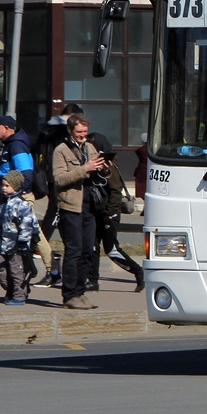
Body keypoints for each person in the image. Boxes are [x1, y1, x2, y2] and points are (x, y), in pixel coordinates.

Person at [52, 113, 106, 310]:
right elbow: (59, 179)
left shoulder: (89, 147)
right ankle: (70, 294)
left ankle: (81, 292)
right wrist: (85, 169)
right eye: (79, 132)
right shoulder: (61, 150)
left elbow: (97, 171)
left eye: (85, 131)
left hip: (89, 205)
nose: (83, 135)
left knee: (87, 251)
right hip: (70, 206)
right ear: (70, 130)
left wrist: (104, 167)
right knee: (73, 251)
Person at [87, 131, 146, 292]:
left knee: (111, 249)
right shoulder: (94, 164)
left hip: (108, 214)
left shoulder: (109, 167)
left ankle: (138, 271)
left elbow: (115, 191)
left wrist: (110, 213)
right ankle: (92, 280)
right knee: (92, 247)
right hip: (96, 213)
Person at [32, 102, 82, 286]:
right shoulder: (62, 132)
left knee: (56, 214)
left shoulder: (49, 127)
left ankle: (51, 266)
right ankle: (39, 244)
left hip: (49, 175)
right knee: (55, 212)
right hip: (59, 177)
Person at [0, 169, 39, 305]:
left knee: (16, 271)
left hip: (16, 246)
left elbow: (27, 224)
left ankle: (19, 295)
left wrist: (23, 242)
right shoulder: (2, 203)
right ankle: (11, 288)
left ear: (15, 186)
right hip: (1, 244)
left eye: (7, 186)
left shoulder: (22, 204)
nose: (3, 188)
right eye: (3, 185)